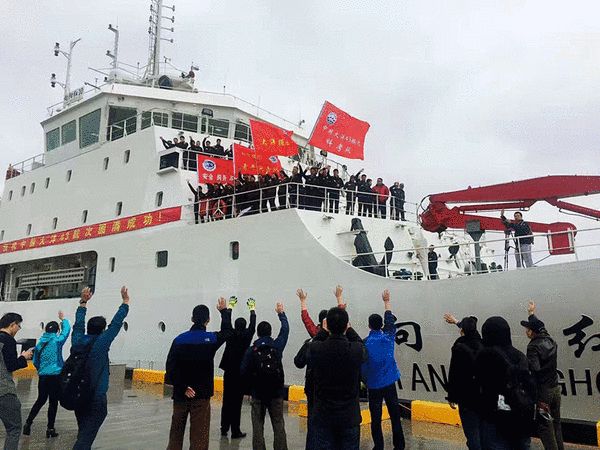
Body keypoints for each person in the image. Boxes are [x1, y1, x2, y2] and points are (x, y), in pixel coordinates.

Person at [165, 297, 233, 450]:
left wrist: (183, 387)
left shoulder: (178, 340)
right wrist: (224, 312)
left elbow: (170, 368)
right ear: (208, 320)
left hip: (181, 395)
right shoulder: (211, 339)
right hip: (201, 396)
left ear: (192, 319)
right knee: (199, 438)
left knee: (176, 434)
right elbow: (228, 332)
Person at [71, 286, 130, 450]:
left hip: (79, 395)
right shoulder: (101, 343)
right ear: (102, 330)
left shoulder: (77, 341)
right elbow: (116, 324)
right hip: (95, 397)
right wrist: (125, 302)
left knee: (83, 432)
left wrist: (83, 303)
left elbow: (78, 325)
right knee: (85, 439)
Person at [308, 307, 367, 450]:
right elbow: (361, 344)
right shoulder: (355, 350)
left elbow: (314, 344)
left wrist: (323, 331)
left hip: (323, 416)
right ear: (346, 325)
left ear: (326, 325)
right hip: (349, 417)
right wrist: (350, 330)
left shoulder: (317, 349)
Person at [475, 316, 535, 450]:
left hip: (495, 420)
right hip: (521, 418)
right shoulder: (520, 356)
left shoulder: (486, 356)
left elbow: (479, 386)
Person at [241, 302, 289, 450]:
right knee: (278, 424)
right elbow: (285, 330)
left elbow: (243, 370)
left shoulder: (252, 350)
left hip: (258, 393)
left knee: (257, 426)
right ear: (270, 332)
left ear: (258, 333)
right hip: (276, 393)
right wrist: (281, 314)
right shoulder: (277, 346)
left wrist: (249, 387)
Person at [362, 289, 405, 450]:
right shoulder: (388, 337)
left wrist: (365, 380)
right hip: (389, 382)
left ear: (369, 325)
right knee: (395, 416)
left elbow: (363, 366)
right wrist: (386, 302)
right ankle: (399, 445)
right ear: (381, 325)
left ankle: (378, 446)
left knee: (376, 418)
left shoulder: (365, 343)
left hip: (373, 385)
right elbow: (390, 321)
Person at [521, 301, 564, 450]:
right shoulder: (550, 339)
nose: (526, 331)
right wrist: (531, 313)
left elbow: (535, 369)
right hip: (555, 389)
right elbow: (541, 327)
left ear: (532, 332)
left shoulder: (533, 346)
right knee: (556, 425)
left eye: (527, 329)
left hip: (543, 394)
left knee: (545, 427)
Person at [23, 311, 71, 438]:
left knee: (40, 400)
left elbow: (35, 361)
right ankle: (50, 428)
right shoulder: (57, 340)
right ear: (56, 330)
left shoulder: (40, 344)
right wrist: (63, 319)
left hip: (43, 376)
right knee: (53, 402)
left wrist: (41, 370)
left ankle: (28, 423)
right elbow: (66, 331)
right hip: (55, 376)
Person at [444, 313, 484, 450]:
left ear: (462, 331)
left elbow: (454, 373)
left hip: (466, 397)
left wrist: (451, 396)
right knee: (482, 430)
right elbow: (473, 332)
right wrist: (457, 322)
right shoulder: (482, 343)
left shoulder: (459, 346)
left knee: (471, 432)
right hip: (483, 395)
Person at [219, 297, 256, 439]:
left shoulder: (230, 334)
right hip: (241, 373)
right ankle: (235, 430)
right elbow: (253, 325)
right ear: (245, 326)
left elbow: (226, 322)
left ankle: (224, 428)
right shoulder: (247, 336)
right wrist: (252, 309)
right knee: (237, 402)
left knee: (227, 400)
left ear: (235, 326)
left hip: (229, 372)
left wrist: (230, 306)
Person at [0, 313, 33, 450]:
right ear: (12, 324)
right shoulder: (8, 340)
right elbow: (11, 365)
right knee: (13, 429)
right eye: (18, 326)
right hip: (4, 391)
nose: (18, 329)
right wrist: (24, 357)